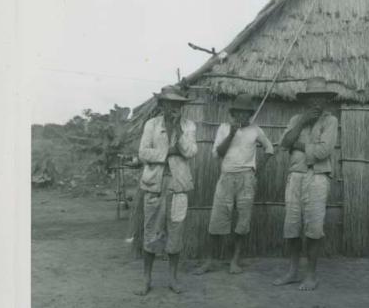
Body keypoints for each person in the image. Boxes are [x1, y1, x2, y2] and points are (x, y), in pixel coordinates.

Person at [195, 94, 274, 275]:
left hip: (247, 179)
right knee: (216, 220)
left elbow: (270, 149)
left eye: (245, 113)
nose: (241, 116)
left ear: (249, 114)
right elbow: (218, 154)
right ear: (233, 114)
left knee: (243, 222)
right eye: (238, 113)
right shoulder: (224, 128)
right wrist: (232, 133)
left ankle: (234, 261)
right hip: (226, 178)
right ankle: (210, 261)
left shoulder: (255, 130)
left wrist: (256, 171)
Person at [274, 77, 338, 291]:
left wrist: (298, 145)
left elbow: (323, 152)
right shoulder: (295, 120)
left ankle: (311, 275)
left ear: (326, 101)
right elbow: (284, 144)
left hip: (318, 177)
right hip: (295, 176)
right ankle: (292, 272)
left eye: (321, 99)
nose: (316, 103)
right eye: (312, 98)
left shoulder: (331, 121)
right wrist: (302, 122)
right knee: (291, 226)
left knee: (313, 228)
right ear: (306, 101)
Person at [135, 85, 197, 295]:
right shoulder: (151, 125)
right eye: (169, 104)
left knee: (176, 233)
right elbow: (143, 153)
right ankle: (146, 279)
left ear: (181, 107)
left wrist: (177, 132)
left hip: (178, 186)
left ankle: (173, 278)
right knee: (151, 232)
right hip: (155, 185)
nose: (173, 108)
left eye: (177, 104)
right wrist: (167, 152)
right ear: (162, 105)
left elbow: (190, 152)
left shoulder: (188, 126)